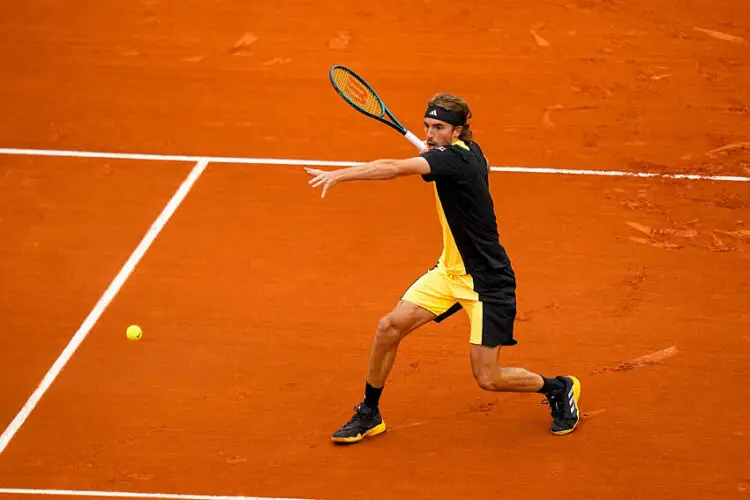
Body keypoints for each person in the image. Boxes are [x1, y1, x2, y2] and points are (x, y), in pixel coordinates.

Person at [305, 93, 581, 444]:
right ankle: (369, 412)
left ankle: (558, 388)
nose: (430, 133)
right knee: (388, 328)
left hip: (486, 282)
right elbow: (444, 163)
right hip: (448, 272)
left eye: (439, 127)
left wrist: (341, 175)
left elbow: (394, 168)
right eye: (427, 127)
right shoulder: (471, 154)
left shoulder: (454, 162)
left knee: (488, 378)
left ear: (459, 131)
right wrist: (437, 154)